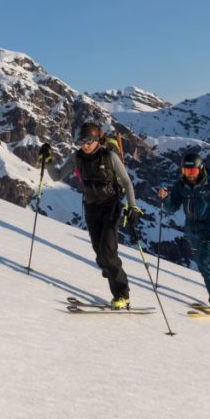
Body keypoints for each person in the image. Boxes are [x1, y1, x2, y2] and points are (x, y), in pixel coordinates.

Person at [40, 122, 141, 309]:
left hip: (111, 206)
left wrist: (132, 207)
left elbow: (127, 182)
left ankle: (122, 294)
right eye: (81, 141)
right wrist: (47, 161)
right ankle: (109, 268)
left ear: (96, 140)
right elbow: (56, 176)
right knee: (99, 252)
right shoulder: (77, 158)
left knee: (108, 252)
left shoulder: (109, 156)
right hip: (91, 207)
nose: (84, 145)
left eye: (88, 141)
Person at [157, 152, 210, 313]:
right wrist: (165, 199)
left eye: (193, 172)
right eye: (186, 172)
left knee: (206, 262)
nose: (190, 176)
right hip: (191, 231)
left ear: (200, 169)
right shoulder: (181, 185)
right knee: (203, 264)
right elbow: (172, 207)